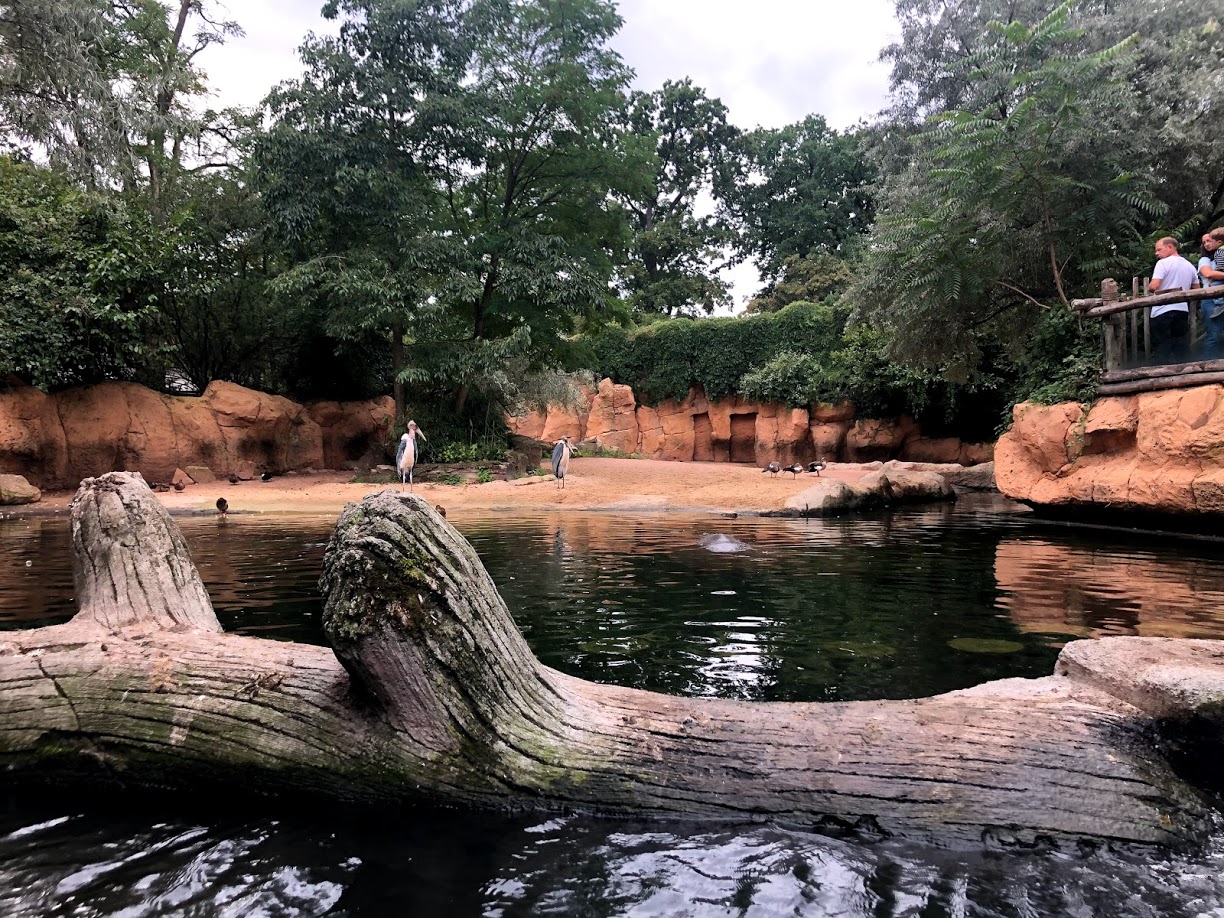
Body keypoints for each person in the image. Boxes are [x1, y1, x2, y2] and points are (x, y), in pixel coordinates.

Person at [1148, 237, 1199, 364]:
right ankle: (1185, 374)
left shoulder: (1163, 263)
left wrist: (1149, 287)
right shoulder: (1189, 266)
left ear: (1170, 247)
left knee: (1161, 347)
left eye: (1159, 249)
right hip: (1181, 310)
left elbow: (1154, 286)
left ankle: (1161, 376)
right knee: (1181, 346)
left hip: (1162, 311)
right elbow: (1196, 289)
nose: (1156, 253)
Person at [1201, 231, 1224, 359]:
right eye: (1204, 242)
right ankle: (1208, 365)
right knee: (1214, 334)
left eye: (1209, 240)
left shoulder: (1220, 254)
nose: (1207, 244)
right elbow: (1209, 274)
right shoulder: (1205, 260)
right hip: (1211, 300)